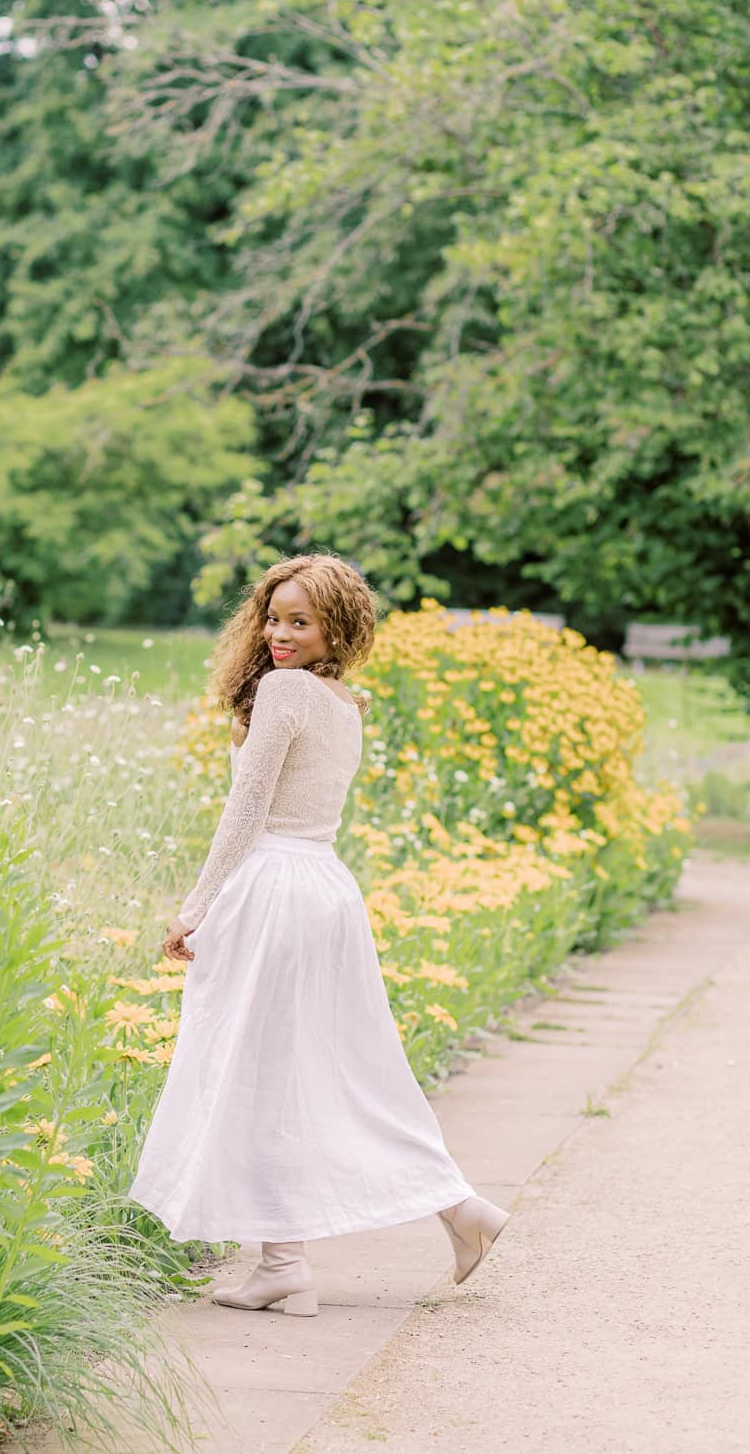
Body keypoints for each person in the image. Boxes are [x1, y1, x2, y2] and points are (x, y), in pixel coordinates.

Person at [126, 553, 509, 1315]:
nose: (278, 633)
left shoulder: (284, 694)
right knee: (329, 1071)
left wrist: (196, 905)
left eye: (299, 621)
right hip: (325, 888)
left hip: (274, 887)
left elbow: (248, 812)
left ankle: (290, 1258)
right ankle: (432, 1217)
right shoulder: (343, 703)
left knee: (264, 1069)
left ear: (337, 626)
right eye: (273, 616)